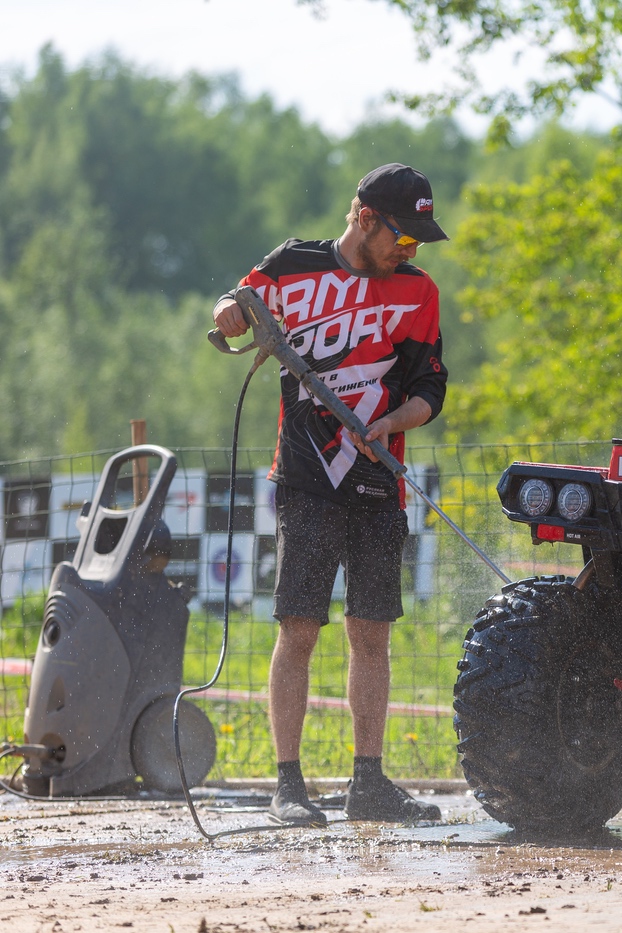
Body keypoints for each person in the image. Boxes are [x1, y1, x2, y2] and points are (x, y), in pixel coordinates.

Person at [212, 164, 449, 826]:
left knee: (372, 632)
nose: (411, 251)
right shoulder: (293, 265)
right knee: (299, 628)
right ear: (365, 218)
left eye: (419, 242)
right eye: (404, 237)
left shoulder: (419, 291)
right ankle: (287, 786)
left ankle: (367, 783)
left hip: (379, 482)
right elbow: (239, 304)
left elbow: (431, 387)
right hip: (306, 479)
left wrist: (394, 422)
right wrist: (227, 308)